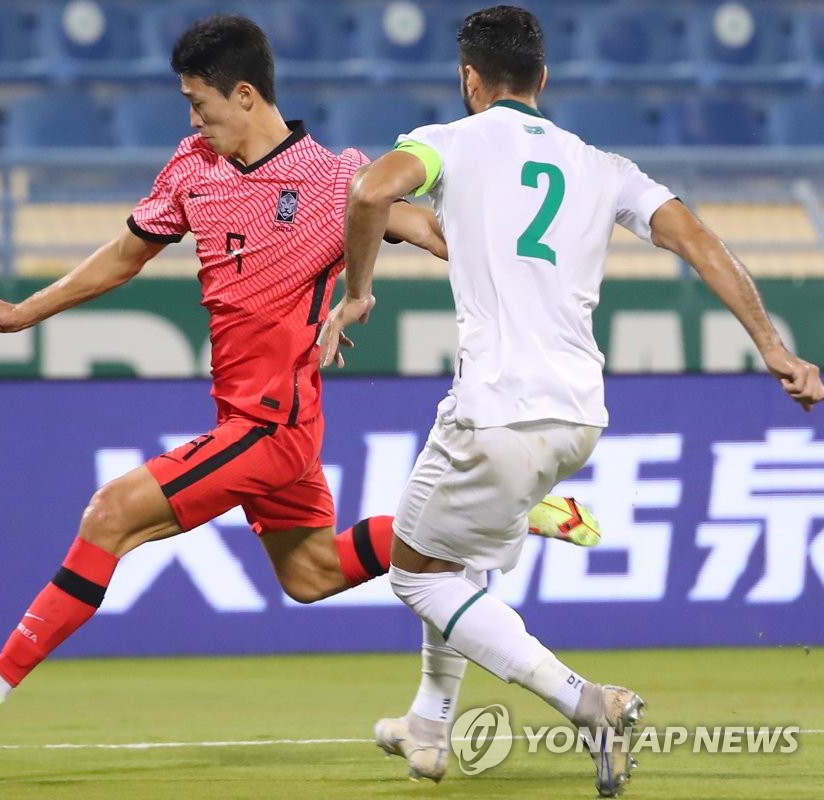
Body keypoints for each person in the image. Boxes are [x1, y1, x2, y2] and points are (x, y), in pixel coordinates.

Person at [0, 14, 591, 742]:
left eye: (200, 102)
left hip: (270, 425)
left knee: (110, 514)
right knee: (311, 575)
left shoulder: (336, 179)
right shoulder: (192, 167)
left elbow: (438, 235)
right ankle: (497, 516)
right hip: (259, 419)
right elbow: (124, 254)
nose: (194, 118)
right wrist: (26, 311)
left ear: (244, 94)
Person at [318, 5, 824, 797]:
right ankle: (429, 723)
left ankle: (584, 700)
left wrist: (356, 294)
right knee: (458, 559)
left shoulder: (448, 141)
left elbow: (369, 188)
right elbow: (698, 240)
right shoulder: (602, 165)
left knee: (417, 576)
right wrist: (774, 347)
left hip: (496, 407)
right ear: (543, 79)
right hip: (579, 413)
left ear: (469, 80)